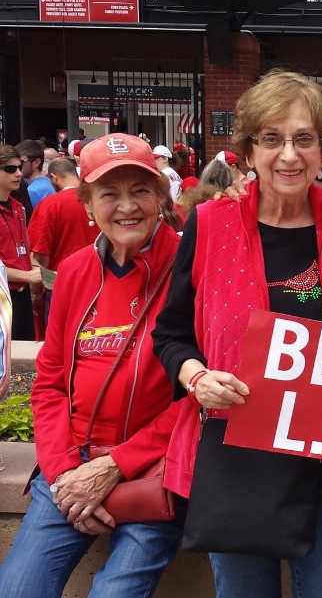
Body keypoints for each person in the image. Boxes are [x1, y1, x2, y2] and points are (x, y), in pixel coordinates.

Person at [152, 69, 322, 598]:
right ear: (249, 150)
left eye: (304, 139)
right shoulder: (208, 225)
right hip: (238, 456)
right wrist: (197, 376)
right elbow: (170, 332)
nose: (289, 155)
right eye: (271, 139)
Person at [0, 133, 184, 596]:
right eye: (109, 193)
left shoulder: (191, 267)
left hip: (153, 473)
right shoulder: (77, 271)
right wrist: (65, 474)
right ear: (87, 204)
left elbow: (200, 397)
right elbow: (49, 384)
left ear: (161, 195)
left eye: (140, 190)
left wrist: (116, 466)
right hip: (70, 465)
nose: (127, 207)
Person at [27, 157, 100, 322]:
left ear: (53, 177)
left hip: (60, 284)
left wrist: (34, 291)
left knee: (58, 340)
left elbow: (40, 254)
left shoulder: (50, 204)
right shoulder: (97, 200)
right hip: (98, 281)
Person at [0, 144, 40, 339]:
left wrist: (33, 280)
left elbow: (24, 250)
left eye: (19, 167)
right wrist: (29, 277)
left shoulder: (18, 208)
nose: (18, 173)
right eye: (10, 169)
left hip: (21, 296)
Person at [16, 139, 55, 208]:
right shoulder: (48, 181)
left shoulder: (33, 191)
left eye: (21, 162)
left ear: (36, 163)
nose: (16, 166)